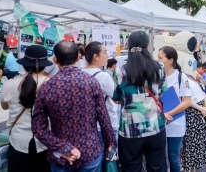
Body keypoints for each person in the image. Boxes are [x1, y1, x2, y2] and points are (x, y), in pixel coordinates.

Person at [32, 41, 116, 172]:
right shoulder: (91, 83)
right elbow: (104, 118)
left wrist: (63, 147)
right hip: (90, 151)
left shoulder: (47, 87)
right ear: (78, 57)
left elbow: (38, 127)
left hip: (61, 156)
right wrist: (111, 143)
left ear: (55, 59)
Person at [112, 31, 168, 172]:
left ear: (128, 46)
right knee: (157, 167)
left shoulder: (120, 71)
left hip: (130, 131)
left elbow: (116, 98)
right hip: (155, 127)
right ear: (148, 47)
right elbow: (163, 92)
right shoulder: (159, 68)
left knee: (131, 168)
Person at [0, 45, 52, 172]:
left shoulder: (9, 84)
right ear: (45, 65)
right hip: (44, 142)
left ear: (23, 64)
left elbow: (4, 106)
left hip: (18, 141)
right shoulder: (52, 84)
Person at [157, 46, 191, 172]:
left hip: (175, 123)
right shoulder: (156, 77)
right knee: (159, 158)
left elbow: (187, 102)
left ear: (171, 60)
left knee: (173, 158)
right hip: (159, 123)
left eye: (161, 58)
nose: (158, 60)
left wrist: (168, 114)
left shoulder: (181, 77)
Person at [82, 42, 118, 141]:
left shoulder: (80, 73)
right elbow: (116, 98)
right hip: (106, 124)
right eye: (105, 52)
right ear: (96, 56)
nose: (107, 56)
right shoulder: (104, 76)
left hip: (86, 124)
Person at [181, 75, 206, 172]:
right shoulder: (191, 77)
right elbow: (203, 94)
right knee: (194, 144)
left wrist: (204, 107)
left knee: (190, 145)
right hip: (198, 112)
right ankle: (189, 167)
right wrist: (205, 107)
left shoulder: (184, 78)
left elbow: (187, 101)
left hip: (192, 113)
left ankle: (188, 167)